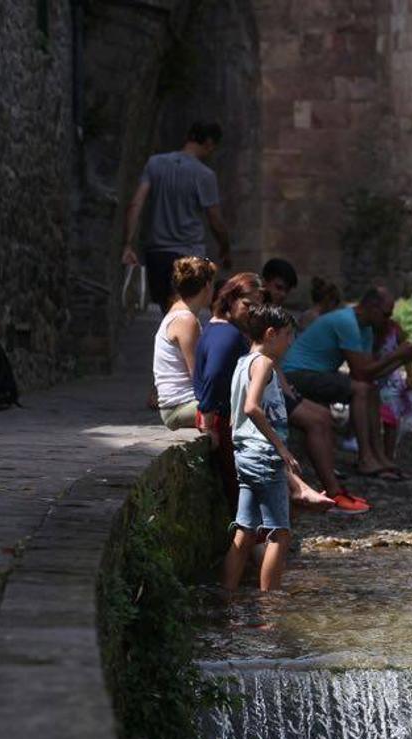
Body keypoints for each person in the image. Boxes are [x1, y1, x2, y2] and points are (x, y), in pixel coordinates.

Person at [194, 272, 340, 513]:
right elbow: (215, 377)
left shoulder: (221, 330)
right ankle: (298, 492)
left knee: (249, 517)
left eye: (257, 307)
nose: (252, 313)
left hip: (232, 420)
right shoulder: (228, 336)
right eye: (247, 305)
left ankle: (298, 490)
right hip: (226, 422)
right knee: (264, 517)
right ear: (230, 299)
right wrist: (208, 420)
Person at [256, 259, 369, 512]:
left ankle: (332, 486)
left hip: (276, 383)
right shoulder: (259, 315)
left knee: (323, 415)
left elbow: (274, 361)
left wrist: (288, 389)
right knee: (316, 420)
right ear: (264, 282)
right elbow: (263, 359)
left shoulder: (272, 313)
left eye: (286, 290)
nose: (281, 294)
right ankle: (333, 491)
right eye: (278, 287)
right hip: (261, 389)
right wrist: (285, 390)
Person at [282, 285, 412, 480]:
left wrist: (402, 359)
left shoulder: (365, 328)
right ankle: (365, 458)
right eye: (386, 314)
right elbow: (361, 372)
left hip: (317, 373)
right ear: (372, 308)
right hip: (296, 374)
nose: (388, 320)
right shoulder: (346, 322)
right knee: (361, 390)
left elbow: (371, 375)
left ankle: (379, 456)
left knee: (369, 388)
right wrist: (397, 355)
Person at [222, 304, 299, 592]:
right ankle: (270, 610)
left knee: (244, 533)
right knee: (279, 534)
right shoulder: (264, 363)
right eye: (287, 334)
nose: (290, 342)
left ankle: (227, 601)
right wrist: (281, 448)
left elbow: (235, 415)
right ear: (270, 333)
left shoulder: (243, 362)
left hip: (244, 455)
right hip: (264, 456)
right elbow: (251, 406)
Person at [122, 122, 231, 312]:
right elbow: (215, 220)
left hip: (158, 254)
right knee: (187, 314)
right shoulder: (204, 175)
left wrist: (128, 244)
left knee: (166, 313)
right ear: (209, 142)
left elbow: (136, 204)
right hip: (190, 255)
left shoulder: (154, 163)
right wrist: (225, 247)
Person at [153, 256, 216, 429]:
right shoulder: (186, 320)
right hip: (179, 407)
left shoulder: (179, 312)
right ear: (207, 286)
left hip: (181, 403)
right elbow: (197, 375)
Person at [375, 315, 412, 461]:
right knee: (373, 420)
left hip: (390, 381)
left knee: (391, 420)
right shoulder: (368, 329)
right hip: (373, 378)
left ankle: (388, 456)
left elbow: (408, 353)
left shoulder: (395, 329)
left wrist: (410, 376)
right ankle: (375, 455)